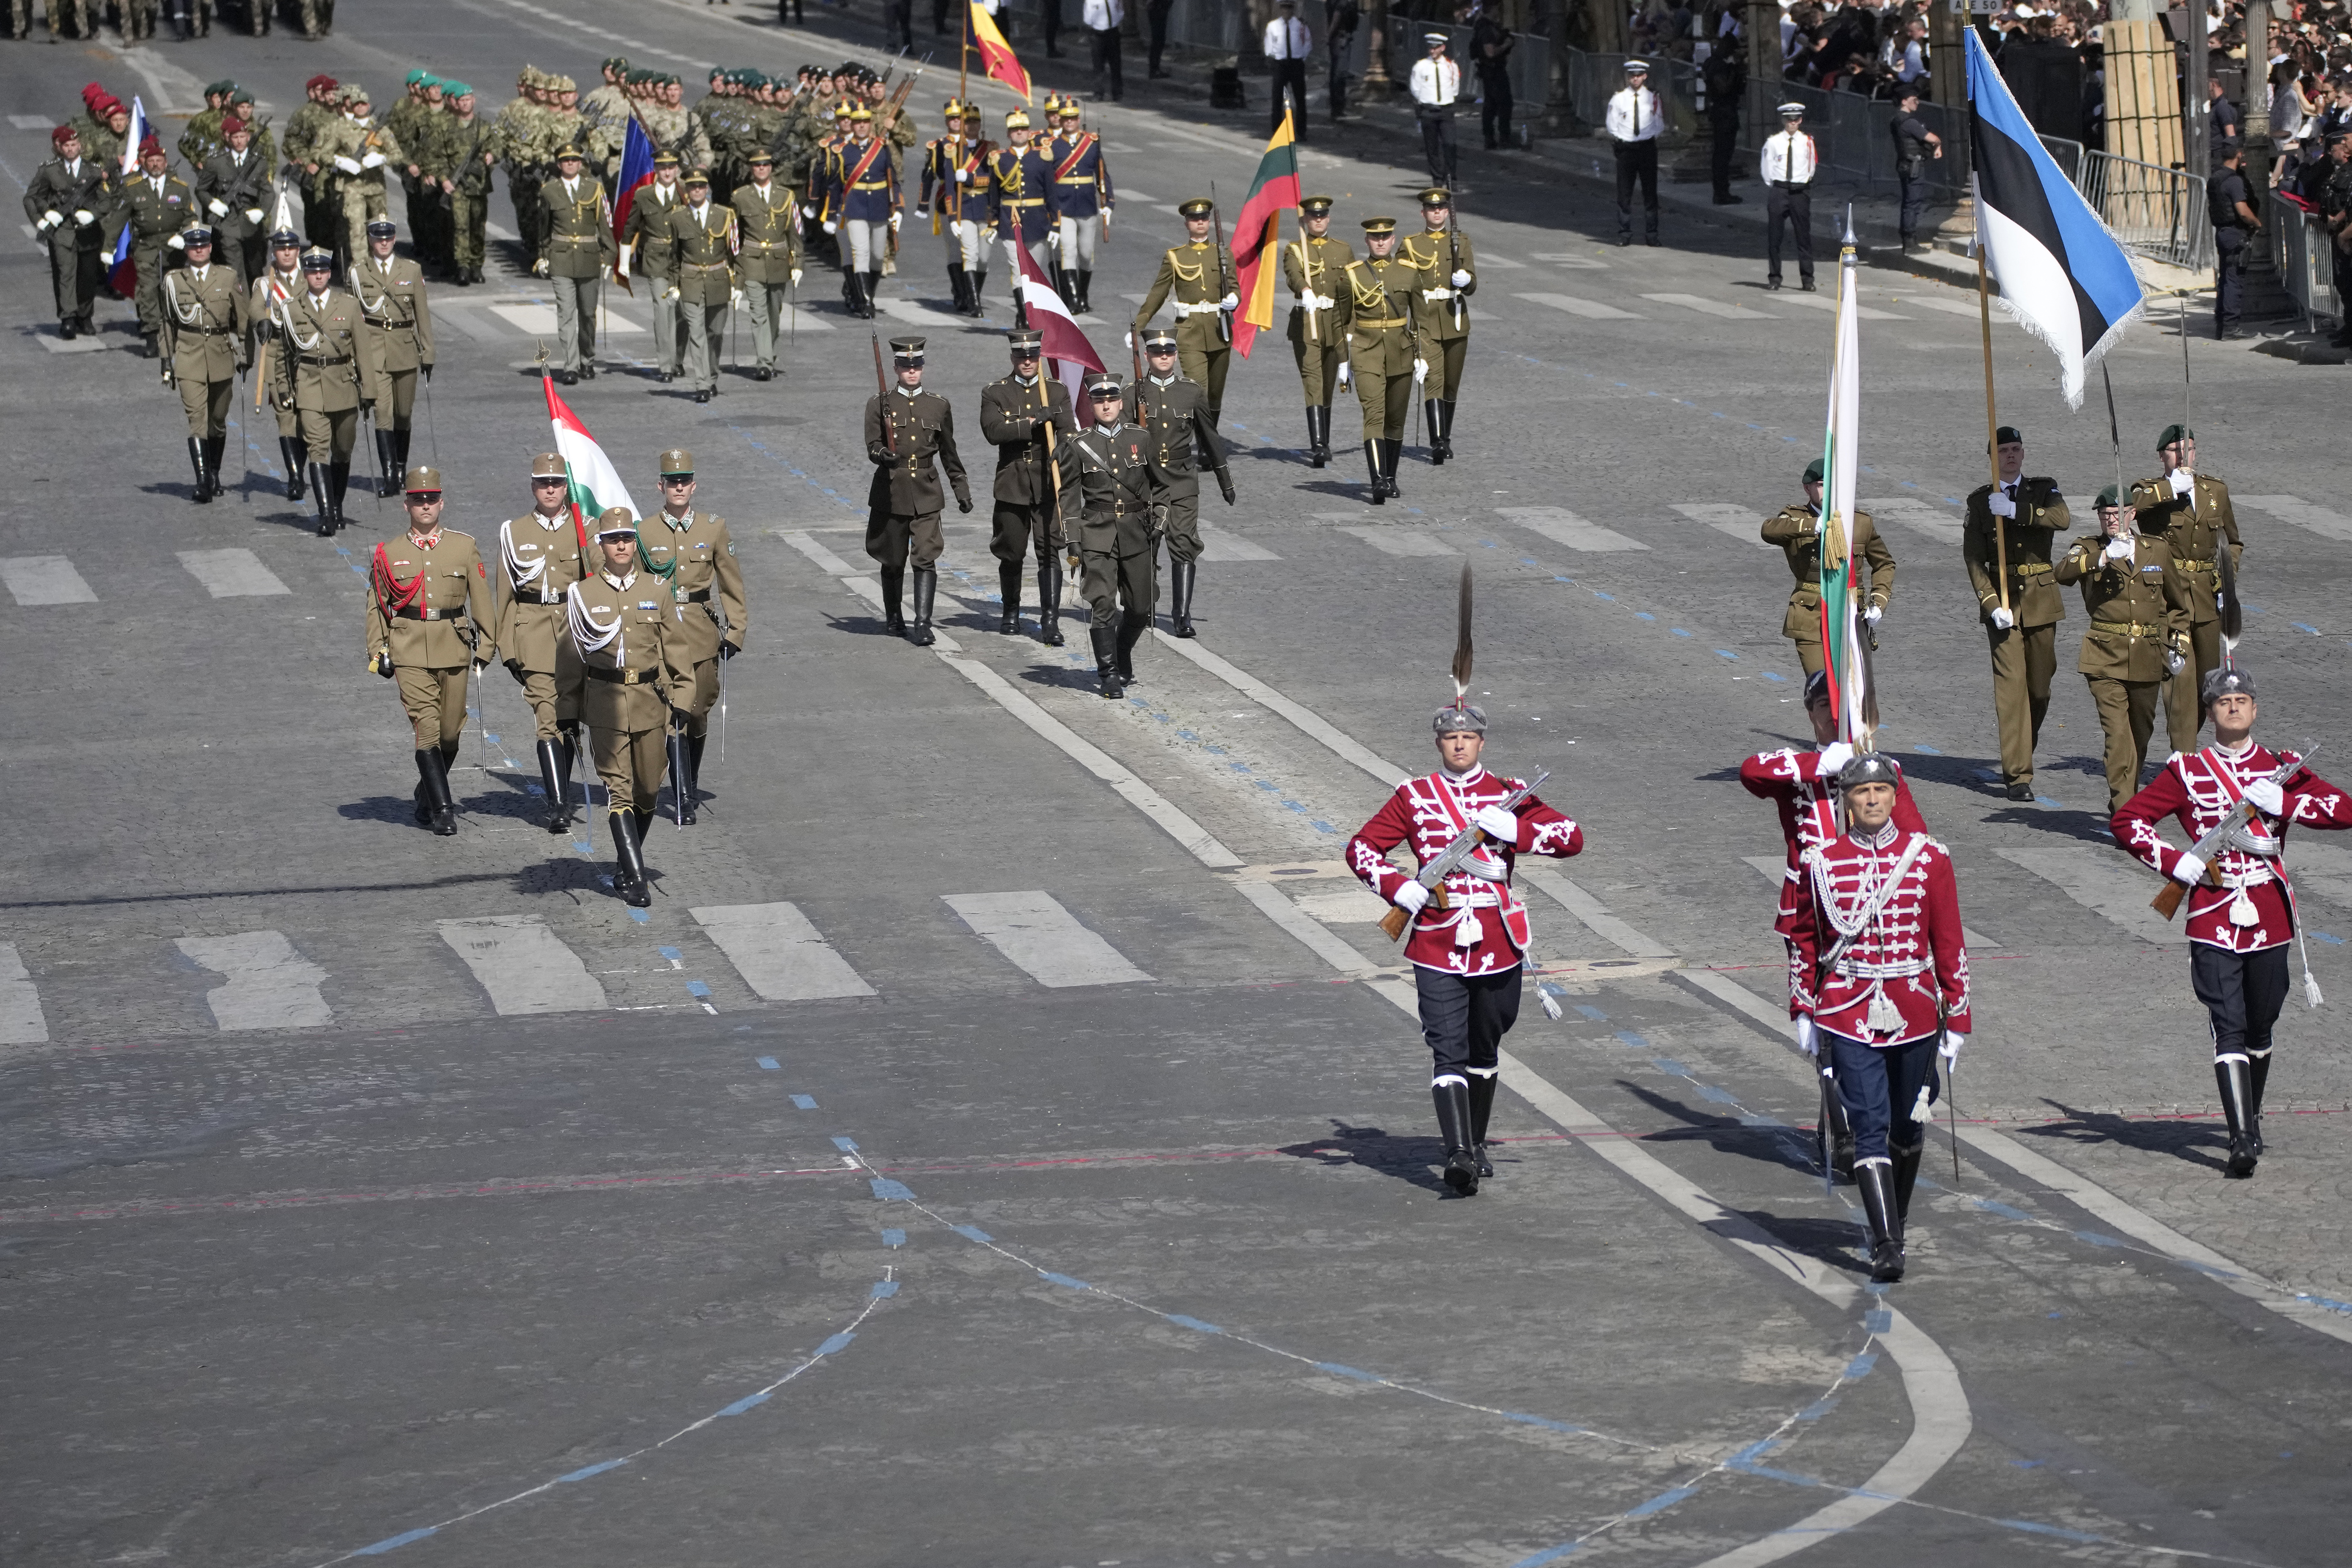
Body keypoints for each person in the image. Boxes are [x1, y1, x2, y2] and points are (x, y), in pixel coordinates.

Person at [2114, 668, 2352, 1177]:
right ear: (2210, 713)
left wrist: (2286, 803)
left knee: (2261, 1023)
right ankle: (2240, 1138)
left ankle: (2253, 1114)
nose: (2235, 708)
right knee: (2229, 1024)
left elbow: (2344, 810)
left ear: (2255, 709)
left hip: (2268, 912)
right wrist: (2174, 862)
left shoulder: (2280, 768)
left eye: (2243, 700)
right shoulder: (2189, 772)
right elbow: (2127, 820)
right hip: (2213, 913)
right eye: (2225, 702)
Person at [1346, 700, 1583, 1195]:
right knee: (1446, 1050)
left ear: (1482, 742)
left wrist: (1518, 831)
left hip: (1499, 941)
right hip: (1436, 940)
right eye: (1450, 738)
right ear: (1439, 743)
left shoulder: (1510, 794)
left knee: (1485, 1046)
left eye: (1469, 737)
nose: (1459, 744)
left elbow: (1571, 838)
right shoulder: (1415, 796)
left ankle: (1474, 1145)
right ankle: (1456, 1153)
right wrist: (1396, 888)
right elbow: (1362, 848)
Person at [1787, 753, 1970, 1282]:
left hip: (1913, 1008)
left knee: (1907, 1127)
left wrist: (1958, 1017)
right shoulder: (1820, 862)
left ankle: (1898, 1214)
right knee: (1868, 1125)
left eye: (1881, 792)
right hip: (1847, 1009)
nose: (1871, 800)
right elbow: (1806, 939)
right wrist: (1804, 1007)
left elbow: (1949, 940)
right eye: (1861, 793)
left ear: (1894, 796)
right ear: (1847, 801)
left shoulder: (1929, 858)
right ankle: (1887, 1243)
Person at [1742, 673, 1930, 1183]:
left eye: (1841, 705)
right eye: (1823, 706)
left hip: (1870, 913)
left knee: (1867, 1016)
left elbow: (1917, 839)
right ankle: (1843, 1118)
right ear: (1810, 714)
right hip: (1810, 911)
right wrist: (1820, 762)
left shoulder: (1881, 772)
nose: (1832, 714)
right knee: (1819, 1023)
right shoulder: (1798, 769)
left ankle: (1864, 1115)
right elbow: (1751, 771)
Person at [566, 512, 690, 910]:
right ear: (600, 545)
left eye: (626, 538)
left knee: (649, 790)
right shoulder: (583, 594)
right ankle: (636, 879)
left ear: (634, 543)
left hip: (650, 703)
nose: (621, 546)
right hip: (605, 703)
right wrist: (567, 709)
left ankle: (624, 862)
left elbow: (677, 652)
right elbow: (570, 658)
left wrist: (684, 701)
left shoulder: (659, 589)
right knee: (618, 791)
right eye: (612, 539)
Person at [366, 464, 494, 839]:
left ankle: (425, 792)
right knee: (428, 727)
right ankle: (443, 809)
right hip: (408, 648)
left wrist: (488, 644)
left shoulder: (463, 546)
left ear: (442, 503)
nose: (426, 506)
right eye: (418, 500)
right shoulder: (389, 553)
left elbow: (481, 599)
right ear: (406, 504)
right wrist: (378, 650)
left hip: (453, 645)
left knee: (451, 733)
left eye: (432, 499)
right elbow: (377, 604)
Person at [2055, 485, 2193, 814]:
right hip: (2104, 656)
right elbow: (2064, 572)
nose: (2111, 521)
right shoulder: (2088, 547)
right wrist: (2103, 557)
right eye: (2105, 516)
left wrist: (2179, 641)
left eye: (2117, 514)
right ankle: (2125, 810)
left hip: (2148, 655)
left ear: (2132, 514)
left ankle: (2127, 796)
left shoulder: (2156, 550)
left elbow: (2179, 604)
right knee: (2118, 736)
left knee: (2140, 734)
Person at [637, 450, 748, 826]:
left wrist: (736, 630)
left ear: (694, 486)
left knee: (698, 713)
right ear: (661, 486)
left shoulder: (713, 528)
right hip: (660, 634)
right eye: (672, 481)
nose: (679, 487)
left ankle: (691, 778)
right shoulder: (644, 531)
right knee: (673, 714)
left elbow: (731, 581)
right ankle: (683, 794)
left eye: (685, 481)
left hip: (700, 632)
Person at [1961, 425, 2071, 800]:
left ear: (2023, 454)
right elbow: (1974, 559)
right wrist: (1991, 605)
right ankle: (2018, 775)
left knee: (2038, 690)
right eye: (2003, 450)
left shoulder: (2043, 489)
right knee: (2011, 693)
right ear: (1992, 458)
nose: (2010, 455)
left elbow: (2062, 519)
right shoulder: (1979, 502)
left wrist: (2015, 511)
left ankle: (2025, 742)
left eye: (2016, 449)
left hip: (2040, 600)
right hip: (2003, 605)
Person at [493, 454, 591, 835]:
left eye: (557, 482)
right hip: (532, 633)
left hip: (576, 633)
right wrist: (507, 646)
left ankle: (563, 789)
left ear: (566, 487)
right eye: (543, 482)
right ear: (533, 486)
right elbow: (505, 592)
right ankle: (559, 805)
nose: (550, 489)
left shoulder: (585, 528)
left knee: (569, 721)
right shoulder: (514, 532)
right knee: (547, 720)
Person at [2129, 425, 2242, 755]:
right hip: (2168, 601)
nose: (2183, 456)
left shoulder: (2215, 491)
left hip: (2207, 600)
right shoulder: (2151, 490)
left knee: (2204, 687)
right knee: (2180, 681)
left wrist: (2227, 581)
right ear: (2162, 455)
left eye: (2189, 450)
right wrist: (2169, 489)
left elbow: (2232, 542)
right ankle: (2185, 761)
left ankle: (2184, 747)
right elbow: (2133, 505)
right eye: (2176, 451)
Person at [271, 245, 385, 536]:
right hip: (309, 387)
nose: (318, 275)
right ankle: (326, 514)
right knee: (317, 449)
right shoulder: (293, 308)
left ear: (330, 273)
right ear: (305, 273)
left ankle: (337, 505)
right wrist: (284, 388)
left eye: (323, 271)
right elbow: (284, 354)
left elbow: (364, 353)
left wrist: (369, 392)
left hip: (343, 386)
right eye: (313, 271)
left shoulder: (347, 306)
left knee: (343, 450)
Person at [864, 336, 972, 645]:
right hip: (892, 490)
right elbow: (872, 445)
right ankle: (894, 617)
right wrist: (883, 456)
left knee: (926, 556)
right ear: (896, 368)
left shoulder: (938, 405)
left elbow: (949, 451)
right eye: (905, 367)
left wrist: (961, 489)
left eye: (917, 366)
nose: (912, 372)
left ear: (923, 368)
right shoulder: (879, 403)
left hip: (927, 490)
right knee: (893, 560)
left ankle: (923, 623)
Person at [1058, 374, 1158, 697]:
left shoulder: (1141, 438)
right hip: (1097, 532)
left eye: (1112, 400)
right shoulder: (1080, 444)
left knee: (1141, 608)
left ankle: (1121, 650)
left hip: (1136, 532)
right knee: (1102, 603)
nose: (1106, 405)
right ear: (1092, 404)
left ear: (1120, 402)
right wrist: (1073, 536)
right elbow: (1069, 494)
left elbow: (1162, 484)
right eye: (1100, 401)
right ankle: (1109, 674)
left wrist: (1161, 518)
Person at [978, 329, 1078, 645]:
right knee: (1011, 552)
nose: (1027, 362)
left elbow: (1068, 433)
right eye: (1021, 357)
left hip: (1048, 482)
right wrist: (1033, 423)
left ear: (1039, 358)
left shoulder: (1056, 391)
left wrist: (1063, 447)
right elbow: (994, 431)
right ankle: (1011, 612)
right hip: (1012, 482)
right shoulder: (996, 392)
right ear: (1012, 358)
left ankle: (1050, 620)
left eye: (1033, 357)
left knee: (1050, 551)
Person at [1134, 330, 1235, 640]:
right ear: (1148, 356)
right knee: (1145, 544)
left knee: (1184, 542)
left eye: (1170, 352)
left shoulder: (1192, 392)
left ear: (1176, 355)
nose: (1164, 357)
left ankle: (1181, 614)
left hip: (1181, 478)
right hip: (1146, 480)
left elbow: (1209, 437)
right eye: (1157, 352)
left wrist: (1224, 479)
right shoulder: (1132, 393)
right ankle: (1143, 604)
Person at [1764, 458, 1895, 676]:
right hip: (1812, 616)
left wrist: (1879, 601)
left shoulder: (1860, 522)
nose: (1832, 490)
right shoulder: (1797, 517)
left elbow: (1884, 564)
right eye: (1823, 484)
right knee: (1823, 690)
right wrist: (1812, 526)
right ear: (1808, 488)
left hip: (1852, 614)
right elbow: (1769, 531)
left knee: (1854, 694)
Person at [1331, 214, 1423, 503]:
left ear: (1393, 240)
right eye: (1375, 237)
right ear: (1367, 241)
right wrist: (1344, 361)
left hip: (1402, 351)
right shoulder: (1353, 274)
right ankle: (1378, 480)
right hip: (1366, 351)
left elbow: (1422, 320)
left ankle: (1391, 476)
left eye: (1385, 237)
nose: (1380, 241)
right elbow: (1339, 320)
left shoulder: (1409, 272)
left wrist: (1423, 356)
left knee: (1396, 420)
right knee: (1374, 414)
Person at [158, 226, 250, 506]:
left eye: (204, 245)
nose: (199, 249)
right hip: (189, 355)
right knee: (197, 420)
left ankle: (214, 471)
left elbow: (243, 317)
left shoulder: (227, 276)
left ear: (210, 248)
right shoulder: (173, 281)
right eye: (193, 245)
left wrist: (245, 353)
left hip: (220, 353)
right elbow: (167, 322)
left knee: (218, 420)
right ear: (186, 249)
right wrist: (166, 358)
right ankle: (203, 482)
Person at [1132, 198, 1239, 423]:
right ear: (1186, 223)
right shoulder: (1176, 256)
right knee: (1198, 391)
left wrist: (1234, 299)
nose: (1200, 222)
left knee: (1215, 394)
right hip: (1190, 334)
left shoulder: (1223, 254)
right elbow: (1158, 294)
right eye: (1194, 219)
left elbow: (1235, 287)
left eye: (1204, 218)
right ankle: (1206, 444)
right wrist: (1138, 327)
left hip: (1221, 331)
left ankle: (1210, 436)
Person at [351, 219, 435, 496]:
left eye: (388, 238)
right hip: (373, 349)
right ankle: (389, 475)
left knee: (403, 413)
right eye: (378, 238)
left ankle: (401, 467)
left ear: (395, 239)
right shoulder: (359, 272)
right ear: (371, 240)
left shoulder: (410, 270)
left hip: (404, 348)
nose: (383, 242)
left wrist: (428, 352)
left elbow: (422, 314)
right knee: (383, 414)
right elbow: (352, 320)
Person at [1401, 187, 1474, 463]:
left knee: (1451, 385)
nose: (1436, 212)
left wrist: (1466, 280)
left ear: (1446, 212)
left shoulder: (1462, 242)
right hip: (1425, 320)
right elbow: (1399, 285)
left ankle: (1446, 435)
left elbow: (1473, 283)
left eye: (1441, 208)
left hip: (1455, 320)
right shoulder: (1410, 245)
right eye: (1431, 209)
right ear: (1424, 213)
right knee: (1433, 380)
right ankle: (1438, 442)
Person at [24, 126, 111, 341]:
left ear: (80, 146)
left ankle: (85, 316)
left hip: (89, 232)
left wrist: (92, 214)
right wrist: (44, 218)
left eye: (74, 145)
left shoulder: (93, 171)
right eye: (67, 146)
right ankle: (68, 319)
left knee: (88, 276)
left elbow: (108, 200)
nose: (71, 149)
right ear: (59, 147)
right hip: (62, 232)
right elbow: (32, 198)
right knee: (65, 275)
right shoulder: (49, 171)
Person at [1282, 194, 1351, 467]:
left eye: (1322, 216)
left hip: (1335, 323)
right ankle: (1319, 445)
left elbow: (1352, 291)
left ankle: (1325, 438)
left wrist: (1351, 330)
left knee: (1328, 385)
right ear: (1305, 219)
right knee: (1313, 381)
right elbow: (1292, 274)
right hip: (1305, 323)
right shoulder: (1295, 249)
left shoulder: (1343, 250)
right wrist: (1304, 289)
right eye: (1313, 216)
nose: (1318, 220)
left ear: (1328, 218)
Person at [535, 145, 613, 384]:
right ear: (559, 165)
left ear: (581, 164)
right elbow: (543, 227)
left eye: (574, 160)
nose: (570, 164)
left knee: (588, 314)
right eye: (565, 161)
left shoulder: (595, 188)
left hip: (589, 257)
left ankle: (587, 359)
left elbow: (605, 224)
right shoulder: (549, 191)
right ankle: (571, 365)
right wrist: (542, 255)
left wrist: (609, 256)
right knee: (566, 313)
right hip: (560, 258)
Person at [119, 137, 195, 359]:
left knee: (174, 292)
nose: (155, 164)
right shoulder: (134, 189)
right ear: (144, 164)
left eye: (159, 160)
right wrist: (108, 249)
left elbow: (191, 217)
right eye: (151, 161)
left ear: (165, 162)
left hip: (173, 248)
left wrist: (184, 236)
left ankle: (176, 335)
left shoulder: (180, 189)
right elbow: (119, 219)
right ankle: (153, 338)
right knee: (148, 292)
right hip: (146, 247)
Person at [667, 169, 739, 405]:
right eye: (692, 186)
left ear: (707, 188)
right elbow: (674, 255)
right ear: (686, 190)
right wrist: (673, 284)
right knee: (696, 334)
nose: (697, 190)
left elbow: (735, 252)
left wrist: (738, 283)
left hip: (718, 279)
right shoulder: (678, 218)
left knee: (715, 333)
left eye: (701, 186)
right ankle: (702, 384)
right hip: (691, 280)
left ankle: (712, 375)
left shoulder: (724, 215)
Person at [249, 229, 309, 500]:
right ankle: (296, 477)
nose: (286, 252)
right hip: (276, 355)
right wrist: (259, 320)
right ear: (274, 252)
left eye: (292, 248)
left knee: (307, 419)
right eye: (281, 248)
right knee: (286, 418)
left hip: (306, 358)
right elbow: (255, 306)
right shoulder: (265, 283)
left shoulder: (311, 278)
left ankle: (301, 467)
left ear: (298, 251)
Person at [732, 148, 807, 363]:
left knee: (774, 311)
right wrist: (734, 269)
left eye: (765, 164)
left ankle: (769, 351)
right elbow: (734, 234)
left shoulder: (785, 196)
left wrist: (798, 263)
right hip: (752, 260)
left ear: (771, 168)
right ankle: (763, 361)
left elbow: (794, 232)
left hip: (778, 260)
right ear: (751, 168)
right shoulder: (741, 197)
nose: (761, 168)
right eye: (757, 165)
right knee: (758, 312)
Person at [319, 85, 405, 269]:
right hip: (353, 187)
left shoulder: (379, 129)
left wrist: (382, 158)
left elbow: (398, 155)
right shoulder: (341, 128)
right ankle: (360, 267)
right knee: (356, 228)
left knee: (381, 229)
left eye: (364, 104)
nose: (360, 107)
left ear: (368, 105)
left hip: (376, 187)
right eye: (356, 104)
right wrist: (341, 162)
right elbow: (324, 155)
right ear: (351, 106)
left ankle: (383, 265)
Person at [823, 108, 897, 320]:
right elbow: (835, 186)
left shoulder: (882, 148)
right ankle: (866, 303)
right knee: (860, 253)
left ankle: (867, 295)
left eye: (866, 122)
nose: (862, 126)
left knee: (877, 258)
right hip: (854, 207)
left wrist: (898, 208)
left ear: (871, 124)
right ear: (852, 126)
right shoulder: (843, 151)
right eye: (858, 123)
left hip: (880, 206)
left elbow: (893, 179)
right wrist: (831, 215)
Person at [921, 101, 993, 316]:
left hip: (983, 206)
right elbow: (931, 175)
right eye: (966, 121)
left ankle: (970, 295)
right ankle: (968, 297)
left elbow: (996, 180)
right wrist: (924, 204)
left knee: (983, 258)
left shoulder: (989, 149)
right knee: (960, 251)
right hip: (957, 205)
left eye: (974, 122)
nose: (970, 125)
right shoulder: (949, 149)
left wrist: (971, 178)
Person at [625, 152, 688, 381]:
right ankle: (666, 366)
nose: (667, 172)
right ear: (656, 169)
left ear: (677, 168)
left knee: (682, 313)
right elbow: (631, 227)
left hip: (683, 260)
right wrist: (624, 260)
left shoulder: (688, 192)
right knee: (663, 311)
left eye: (671, 167)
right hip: (656, 259)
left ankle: (677, 358)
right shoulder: (644, 195)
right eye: (663, 168)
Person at [988, 110, 1055, 327]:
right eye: (1015, 130)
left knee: (1033, 271)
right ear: (1009, 133)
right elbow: (994, 193)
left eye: (1023, 129)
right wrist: (993, 221)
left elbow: (1051, 191)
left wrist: (1056, 223)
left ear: (1029, 132)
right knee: (1018, 271)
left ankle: (1029, 313)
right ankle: (1024, 317)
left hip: (1036, 221)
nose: (1019, 133)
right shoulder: (1000, 159)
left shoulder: (1041, 156)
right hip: (1010, 222)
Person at [1047, 98, 1113, 312]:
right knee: (1068, 251)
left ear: (1078, 119)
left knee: (1086, 254)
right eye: (1065, 119)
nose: (1069, 122)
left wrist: (1108, 202)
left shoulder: (1092, 143)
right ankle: (1073, 300)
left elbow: (1102, 174)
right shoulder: (1053, 145)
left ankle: (1083, 294)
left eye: (1073, 119)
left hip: (1086, 206)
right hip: (1063, 206)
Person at [433, 83, 497, 287]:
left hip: (479, 186)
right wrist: (444, 179)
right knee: (460, 227)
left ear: (474, 101)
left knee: (477, 225)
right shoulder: (446, 128)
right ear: (456, 103)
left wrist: (492, 155)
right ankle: (463, 267)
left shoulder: (484, 127)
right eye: (462, 101)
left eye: (468, 100)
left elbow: (497, 146)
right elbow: (438, 157)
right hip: (458, 186)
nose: (465, 104)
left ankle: (477, 264)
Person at [194, 115, 271, 284]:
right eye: (235, 137)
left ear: (248, 138)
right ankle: (242, 310)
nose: (239, 141)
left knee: (255, 271)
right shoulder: (216, 162)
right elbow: (201, 190)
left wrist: (262, 212)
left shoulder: (259, 163)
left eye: (242, 137)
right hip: (227, 225)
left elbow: (268, 192)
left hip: (252, 225)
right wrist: (212, 204)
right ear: (229, 138)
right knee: (236, 272)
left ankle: (256, 307)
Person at [1760, 103, 1819, 291]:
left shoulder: (1807, 141)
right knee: (1775, 236)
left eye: (1796, 120)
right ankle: (1775, 278)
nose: (1793, 123)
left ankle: (1808, 279)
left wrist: (1803, 182)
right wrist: (1776, 185)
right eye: (1789, 120)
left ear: (1800, 120)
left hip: (1800, 192)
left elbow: (1812, 166)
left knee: (1803, 236)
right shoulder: (1774, 142)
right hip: (1780, 190)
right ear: (1783, 120)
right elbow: (1766, 167)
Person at [1606, 59, 1664, 247]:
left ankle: (1652, 234)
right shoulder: (1619, 98)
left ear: (1645, 76)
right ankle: (1625, 234)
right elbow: (1612, 123)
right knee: (1624, 193)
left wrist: (1650, 136)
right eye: (1632, 76)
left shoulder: (1653, 98)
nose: (1636, 79)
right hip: (1627, 149)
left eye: (1639, 75)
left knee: (1650, 193)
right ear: (1628, 77)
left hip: (1646, 147)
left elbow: (1659, 123)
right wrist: (1621, 139)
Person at [2209, 142, 2259, 338]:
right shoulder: (2234, 181)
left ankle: (2222, 324)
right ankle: (2231, 327)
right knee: (2234, 280)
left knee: (2226, 279)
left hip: (2223, 232)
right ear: (2239, 155)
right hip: (2235, 233)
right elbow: (2243, 211)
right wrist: (2257, 223)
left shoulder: (2215, 178)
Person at [1890, 83, 1942, 253]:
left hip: (1905, 165)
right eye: (1914, 99)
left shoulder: (1897, 120)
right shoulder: (1910, 122)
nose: (1918, 103)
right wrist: (1938, 145)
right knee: (1913, 204)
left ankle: (1908, 240)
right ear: (1905, 101)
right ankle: (1910, 242)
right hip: (1914, 166)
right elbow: (1933, 138)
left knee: (1908, 203)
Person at [1408, 32, 1462, 192]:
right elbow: (1416, 88)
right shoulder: (1421, 66)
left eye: (1436, 48)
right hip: (1428, 110)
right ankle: (1437, 179)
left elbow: (1455, 87)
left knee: (1450, 145)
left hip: (1446, 110)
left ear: (1443, 48)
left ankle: (1452, 178)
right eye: (1430, 48)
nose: (1432, 51)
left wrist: (1447, 100)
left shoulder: (1451, 66)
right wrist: (1425, 101)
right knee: (1432, 147)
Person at [1701, 39, 1745, 204]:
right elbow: (1723, 88)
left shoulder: (1713, 64)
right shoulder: (1718, 66)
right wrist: (1733, 69)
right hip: (1724, 114)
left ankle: (1722, 191)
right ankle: (1721, 193)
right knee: (1722, 156)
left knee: (1723, 155)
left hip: (1724, 112)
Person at [1265, 0, 1314, 140]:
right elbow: (1269, 45)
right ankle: (1277, 131)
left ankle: (1301, 131)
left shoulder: (1300, 26)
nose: (1286, 10)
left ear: (1293, 9)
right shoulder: (1273, 26)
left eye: (1289, 8)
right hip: (1280, 64)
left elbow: (1307, 43)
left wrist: (1301, 58)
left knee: (1300, 99)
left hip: (1296, 64)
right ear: (1280, 9)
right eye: (1284, 7)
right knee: (1277, 98)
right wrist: (1274, 58)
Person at [1084, 0, 1126, 103]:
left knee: (1116, 64)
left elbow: (1120, 9)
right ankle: (1098, 93)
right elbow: (1088, 17)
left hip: (1112, 32)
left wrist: (1117, 21)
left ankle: (1117, 93)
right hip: (1097, 34)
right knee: (1098, 65)